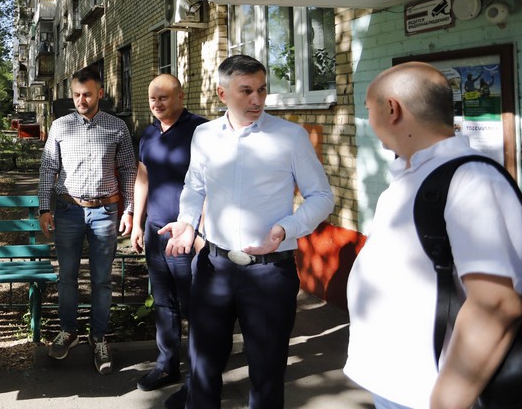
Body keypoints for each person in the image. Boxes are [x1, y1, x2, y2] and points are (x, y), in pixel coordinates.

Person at [344, 61, 522, 409]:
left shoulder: (471, 179)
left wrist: (447, 399)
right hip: (399, 385)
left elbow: (496, 302)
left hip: (430, 393)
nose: (368, 121)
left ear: (392, 109)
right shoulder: (415, 175)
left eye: (369, 110)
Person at [162, 54, 334, 409]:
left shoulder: (290, 136)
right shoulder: (204, 135)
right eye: (246, 91)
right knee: (203, 366)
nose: (257, 99)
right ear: (223, 94)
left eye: (262, 90)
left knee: (267, 372)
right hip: (214, 267)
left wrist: (286, 228)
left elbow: (321, 197)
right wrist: (186, 222)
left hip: (270, 272)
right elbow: (194, 187)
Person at [38, 66, 137, 374]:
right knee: (66, 276)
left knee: (101, 280)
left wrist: (130, 209)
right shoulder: (60, 126)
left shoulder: (117, 126)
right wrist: (45, 208)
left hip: (105, 212)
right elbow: (47, 169)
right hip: (68, 210)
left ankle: (99, 336)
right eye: (77, 95)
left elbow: (130, 171)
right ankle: (69, 331)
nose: (81, 100)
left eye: (88, 94)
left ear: (100, 94)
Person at [131, 74, 207, 395]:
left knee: (195, 307)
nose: (157, 104)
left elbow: (212, 184)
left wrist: (201, 233)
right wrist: (137, 221)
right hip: (155, 232)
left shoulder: (201, 131)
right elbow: (143, 179)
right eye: (152, 99)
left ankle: (199, 376)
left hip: (189, 235)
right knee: (163, 302)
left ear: (180, 96)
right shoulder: (147, 135)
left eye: (163, 98)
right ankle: (166, 365)